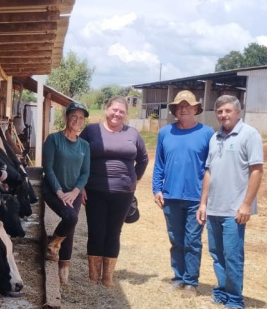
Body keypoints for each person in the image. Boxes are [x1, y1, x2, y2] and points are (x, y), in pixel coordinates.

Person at [197, 95, 264, 309]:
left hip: (235, 209)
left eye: (227, 111)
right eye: (219, 111)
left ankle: (235, 299)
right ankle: (221, 293)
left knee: (232, 255)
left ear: (238, 111)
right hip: (214, 207)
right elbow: (209, 172)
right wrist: (203, 203)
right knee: (217, 254)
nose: (223, 115)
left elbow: (257, 171)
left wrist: (246, 204)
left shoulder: (249, 135)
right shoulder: (215, 137)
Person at [80, 96, 148, 287]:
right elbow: (79, 156)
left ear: (125, 114)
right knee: (96, 232)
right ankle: (93, 276)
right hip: (94, 190)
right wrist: (81, 185)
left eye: (121, 111)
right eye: (114, 110)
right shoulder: (91, 131)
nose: (117, 114)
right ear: (106, 109)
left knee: (113, 233)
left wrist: (135, 179)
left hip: (123, 193)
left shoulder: (132, 133)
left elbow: (143, 159)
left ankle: (107, 277)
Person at [152, 90, 215, 297]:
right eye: (179, 106)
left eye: (188, 105)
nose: (183, 109)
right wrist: (157, 188)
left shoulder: (207, 133)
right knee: (176, 240)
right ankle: (178, 277)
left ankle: (191, 282)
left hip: (195, 198)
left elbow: (211, 168)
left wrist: (206, 199)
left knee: (192, 241)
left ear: (196, 109)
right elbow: (159, 163)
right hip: (170, 196)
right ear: (174, 110)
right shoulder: (165, 132)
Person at [43, 101, 91, 284]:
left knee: (70, 227)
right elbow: (48, 168)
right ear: (65, 117)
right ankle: (52, 247)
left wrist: (75, 192)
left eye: (81, 118)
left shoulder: (84, 146)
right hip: (53, 190)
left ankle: (63, 273)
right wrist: (59, 191)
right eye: (74, 116)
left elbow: (85, 173)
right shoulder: (53, 139)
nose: (77, 120)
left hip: (73, 193)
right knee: (70, 217)